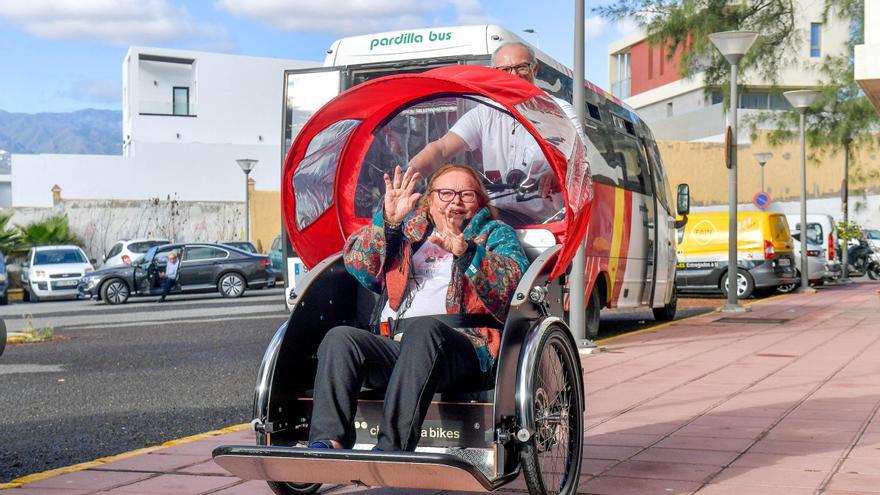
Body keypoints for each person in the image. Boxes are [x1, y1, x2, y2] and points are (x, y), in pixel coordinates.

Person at [308, 164, 529, 452]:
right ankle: (328, 441)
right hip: (395, 345)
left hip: (463, 348)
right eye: (446, 193)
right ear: (430, 199)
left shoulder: (495, 234)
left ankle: (391, 448)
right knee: (340, 338)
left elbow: (512, 284)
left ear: (481, 202)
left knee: (424, 330)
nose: (456, 201)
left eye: (467, 195)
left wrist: (467, 252)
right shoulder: (407, 230)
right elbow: (359, 266)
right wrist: (388, 223)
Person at [408, 42, 584, 200]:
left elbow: (579, 159)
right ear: (494, 73)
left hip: (552, 221)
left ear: (535, 69)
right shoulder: (484, 113)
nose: (513, 75)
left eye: (521, 67)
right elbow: (441, 148)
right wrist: (408, 175)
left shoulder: (559, 110)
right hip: (499, 217)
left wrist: (558, 173)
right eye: (505, 70)